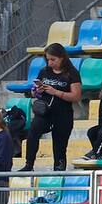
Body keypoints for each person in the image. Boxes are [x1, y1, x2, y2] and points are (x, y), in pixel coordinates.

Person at [19, 43, 82, 172]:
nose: (50, 63)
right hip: (45, 111)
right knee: (33, 131)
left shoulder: (72, 73)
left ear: (62, 58)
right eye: (48, 59)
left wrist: (56, 92)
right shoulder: (44, 71)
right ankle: (29, 164)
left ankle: (58, 170)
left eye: (53, 59)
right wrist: (37, 90)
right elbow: (34, 91)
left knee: (59, 145)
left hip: (63, 113)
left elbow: (76, 96)